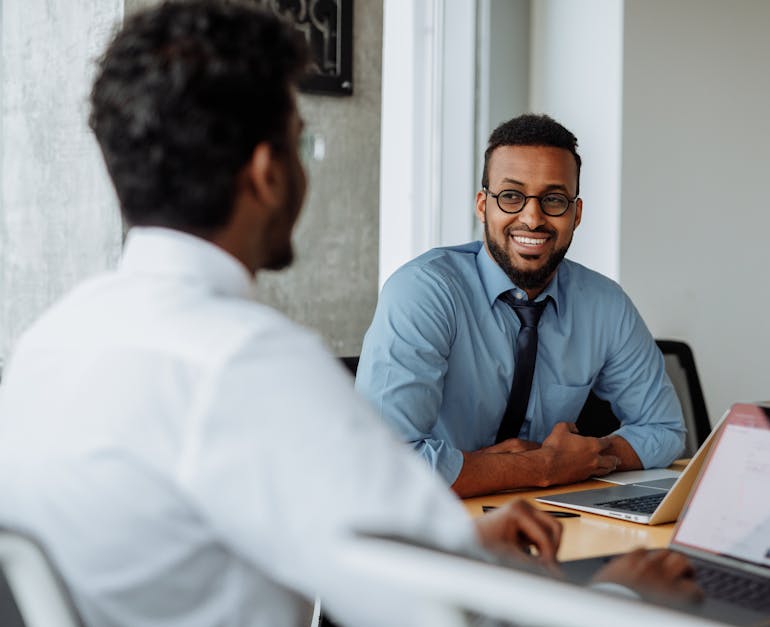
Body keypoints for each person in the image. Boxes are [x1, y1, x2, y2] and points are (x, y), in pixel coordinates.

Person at [0, 3, 571, 625]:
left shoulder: (49, 342)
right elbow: (437, 614)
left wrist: (457, 550)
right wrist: (621, 596)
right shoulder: (244, 360)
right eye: (302, 140)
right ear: (268, 173)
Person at [356, 114, 686, 497]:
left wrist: (585, 457)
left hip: (554, 520)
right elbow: (383, 465)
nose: (532, 218)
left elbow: (664, 429)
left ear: (575, 214)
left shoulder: (604, 304)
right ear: (483, 205)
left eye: (554, 200)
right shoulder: (424, 292)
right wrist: (540, 467)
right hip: (436, 523)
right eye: (511, 196)